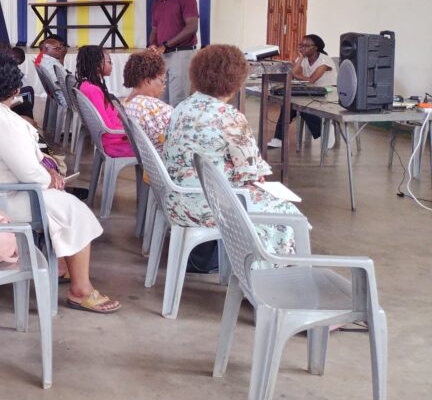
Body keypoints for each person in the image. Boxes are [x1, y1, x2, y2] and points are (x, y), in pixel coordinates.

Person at [0, 51, 119, 313]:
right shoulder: (2, 122)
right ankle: (81, 290)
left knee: (63, 204)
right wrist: (52, 177)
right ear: (13, 87)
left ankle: (63, 265)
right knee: (74, 209)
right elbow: (31, 175)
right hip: (5, 201)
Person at [163, 45, 304, 268]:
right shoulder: (229, 117)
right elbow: (253, 175)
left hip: (176, 199)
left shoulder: (181, 107)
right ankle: (266, 281)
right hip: (210, 205)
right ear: (237, 81)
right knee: (289, 215)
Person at [269, 33, 337, 148]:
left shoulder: (325, 61)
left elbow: (311, 80)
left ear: (315, 48)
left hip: (328, 93)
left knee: (302, 105)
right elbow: (293, 74)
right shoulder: (304, 59)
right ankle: (279, 138)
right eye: (301, 45)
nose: (302, 48)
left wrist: (296, 74)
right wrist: (300, 58)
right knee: (288, 104)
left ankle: (325, 130)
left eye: (306, 46)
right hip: (310, 92)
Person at [147, 0, 199, 105]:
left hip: (181, 54)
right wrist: (152, 44)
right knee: (161, 99)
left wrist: (165, 45)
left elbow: (192, 27)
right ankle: (165, 128)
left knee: (178, 99)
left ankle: (177, 127)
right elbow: (154, 30)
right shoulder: (157, 3)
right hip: (162, 55)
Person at [75, 45, 134, 157]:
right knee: (156, 148)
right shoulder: (93, 90)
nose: (112, 65)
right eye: (109, 62)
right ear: (98, 66)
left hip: (115, 138)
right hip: (115, 143)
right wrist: (132, 132)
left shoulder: (88, 85)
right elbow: (107, 128)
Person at [121, 50, 172, 155]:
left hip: (148, 160)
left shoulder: (127, 102)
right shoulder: (150, 106)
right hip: (164, 159)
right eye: (162, 81)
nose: (164, 86)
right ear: (148, 81)